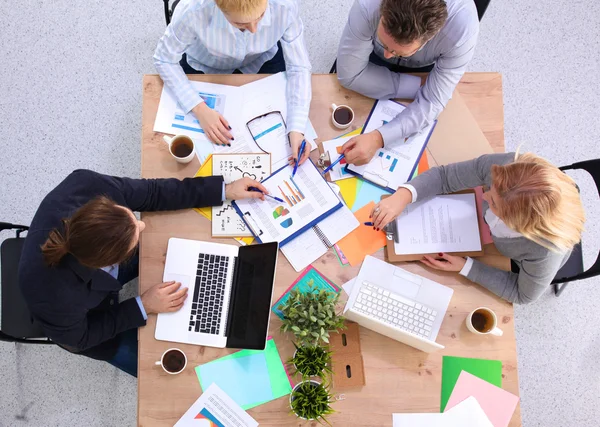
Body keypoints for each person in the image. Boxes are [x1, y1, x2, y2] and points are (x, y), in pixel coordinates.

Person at [18, 169, 268, 376]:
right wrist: (142, 305)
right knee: (174, 371)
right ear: (110, 262)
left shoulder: (86, 185)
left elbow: (152, 193)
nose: (142, 224)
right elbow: (81, 337)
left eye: (130, 218)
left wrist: (223, 190)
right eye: (135, 232)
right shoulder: (54, 297)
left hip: (89, 278)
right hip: (86, 326)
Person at [370, 153, 585, 304]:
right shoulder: (509, 168)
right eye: (490, 188)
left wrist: (466, 267)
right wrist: (404, 195)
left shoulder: (544, 251)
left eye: (493, 203)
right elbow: (445, 176)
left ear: (517, 226)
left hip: (509, 257)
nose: (483, 194)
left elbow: (522, 294)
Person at [154, 0, 312, 164]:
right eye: (240, 23)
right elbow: (163, 60)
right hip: (206, 63)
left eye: (261, 16)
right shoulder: (193, 10)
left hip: (262, 58)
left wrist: (297, 127)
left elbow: (299, 66)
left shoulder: (285, 5)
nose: (254, 30)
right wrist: (199, 109)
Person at [336, 0, 479, 166]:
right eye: (384, 42)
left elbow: (431, 104)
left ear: (430, 37)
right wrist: (417, 87)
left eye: (396, 51)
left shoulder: (463, 30)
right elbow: (350, 75)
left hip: (424, 67)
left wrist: (379, 138)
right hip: (369, 54)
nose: (388, 55)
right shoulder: (367, 5)